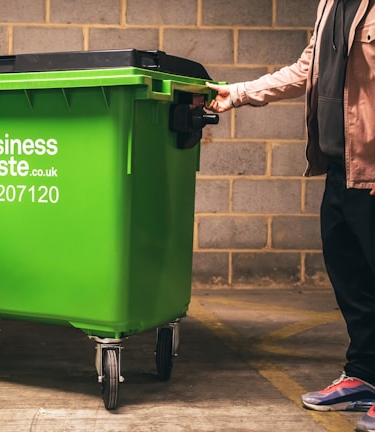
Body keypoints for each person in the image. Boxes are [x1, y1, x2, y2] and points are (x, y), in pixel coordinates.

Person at [204, 1, 375, 431]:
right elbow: (305, 70)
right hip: (340, 167)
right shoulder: (331, 5)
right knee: (352, 281)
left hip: (373, 170)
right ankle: (365, 376)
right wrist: (239, 93)